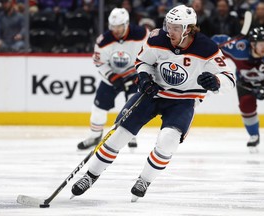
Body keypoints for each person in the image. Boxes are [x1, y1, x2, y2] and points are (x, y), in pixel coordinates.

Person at [70, 5, 235, 202]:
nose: (169, 30)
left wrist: (216, 82)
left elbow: (229, 79)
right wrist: (145, 78)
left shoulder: (207, 48)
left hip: (183, 101)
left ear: (188, 29)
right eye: (168, 25)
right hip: (152, 94)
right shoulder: (157, 38)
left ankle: (144, 180)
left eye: (175, 27)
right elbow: (142, 62)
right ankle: (90, 175)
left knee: (168, 140)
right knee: (119, 134)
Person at [77, 7, 149, 150]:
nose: (115, 30)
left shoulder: (141, 34)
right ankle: (95, 135)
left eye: (119, 27)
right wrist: (114, 77)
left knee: (132, 105)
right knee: (99, 106)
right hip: (111, 77)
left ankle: (130, 134)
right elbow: (99, 62)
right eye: (112, 27)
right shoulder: (103, 40)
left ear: (127, 23)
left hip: (133, 75)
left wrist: (139, 73)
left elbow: (150, 53)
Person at [212, 27, 264, 151]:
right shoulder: (238, 49)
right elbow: (216, 40)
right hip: (246, 84)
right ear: (252, 44)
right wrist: (210, 46)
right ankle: (254, 135)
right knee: (246, 105)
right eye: (261, 44)